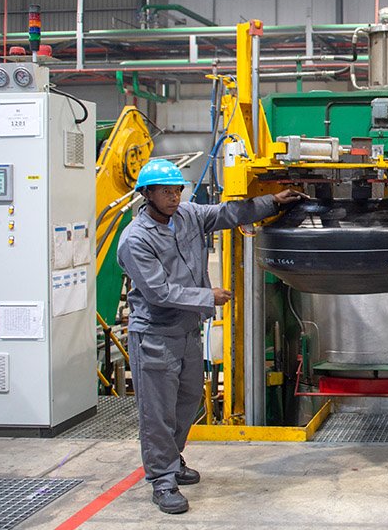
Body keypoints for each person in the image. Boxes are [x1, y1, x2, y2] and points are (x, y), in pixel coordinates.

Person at [116, 159, 303, 514]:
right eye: (166, 192)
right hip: (155, 334)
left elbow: (227, 213)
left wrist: (273, 202)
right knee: (157, 412)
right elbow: (157, 291)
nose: (174, 198)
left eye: (177, 190)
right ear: (147, 194)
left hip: (186, 329)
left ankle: (173, 458)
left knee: (188, 400)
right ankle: (162, 480)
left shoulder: (186, 215)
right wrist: (207, 297)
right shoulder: (136, 239)